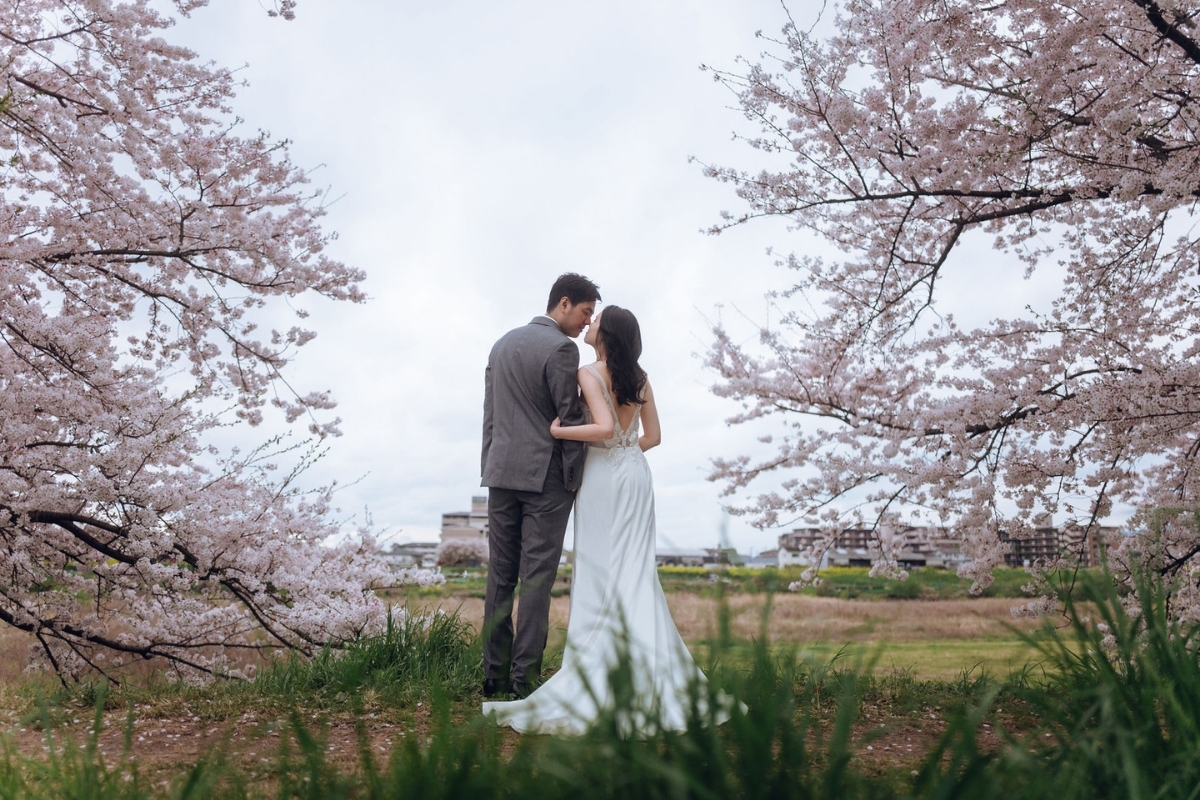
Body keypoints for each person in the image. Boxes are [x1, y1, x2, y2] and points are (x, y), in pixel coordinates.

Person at [484, 306, 718, 735]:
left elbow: (605, 428)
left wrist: (561, 433)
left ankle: (598, 669)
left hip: (603, 480)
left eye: (596, 321)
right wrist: (626, 457)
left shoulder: (589, 373)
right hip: (636, 476)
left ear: (606, 334)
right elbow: (652, 438)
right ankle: (645, 664)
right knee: (635, 572)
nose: (589, 325)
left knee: (598, 569)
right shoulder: (641, 377)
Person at [480, 273, 602, 700]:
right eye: (586, 312)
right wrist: (573, 481)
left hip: (499, 476)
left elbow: (490, 416)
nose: (588, 324)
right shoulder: (561, 348)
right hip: (545, 480)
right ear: (564, 303)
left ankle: (492, 677)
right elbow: (568, 418)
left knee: (500, 577)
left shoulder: (502, 343)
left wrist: (489, 467)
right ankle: (523, 682)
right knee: (535, 581)